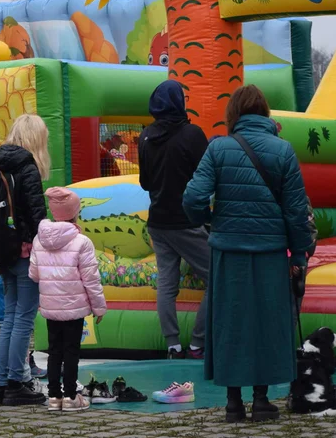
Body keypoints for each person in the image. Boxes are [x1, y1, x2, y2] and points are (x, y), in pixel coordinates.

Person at [183, 85, 314, 423]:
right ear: (266, 113)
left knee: (230, 323)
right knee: (267, 324)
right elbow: (297, 212)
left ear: (234, 115)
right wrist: (300, 255)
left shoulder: (219, 148)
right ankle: (261, 400)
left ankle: (232, 403)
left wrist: (211, 222)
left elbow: (192, 199)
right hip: (270, 253)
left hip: (228, 253)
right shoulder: (283, 151)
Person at [138, 80, 211, 359]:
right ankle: (197, 343)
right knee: (217, 276)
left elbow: (145, 183)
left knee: (167, 285)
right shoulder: (192, 134)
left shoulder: (145, 137)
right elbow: (207, 177)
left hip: (158, 221)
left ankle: (173, 345)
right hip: (187, 222)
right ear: (178, 103)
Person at [0, 114, 50, 407]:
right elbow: (37, 216)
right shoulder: (28, 168)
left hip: (3, 251)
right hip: (24, 251)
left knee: (10, 318)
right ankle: (15, 382)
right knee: (23, 318)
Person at [29, 187, 107, 412]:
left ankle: (54, 397)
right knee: (71, 351)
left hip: (51, 307)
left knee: (55, 351)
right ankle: (71, 396)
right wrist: (99, 308)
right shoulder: (82, 242)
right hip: (74, 309)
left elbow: (33, 274)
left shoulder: (39, 239)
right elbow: (91, 279)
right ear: (75, 213)